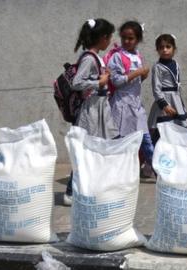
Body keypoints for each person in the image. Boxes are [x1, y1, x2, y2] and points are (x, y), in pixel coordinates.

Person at [64, 18, 118, 205]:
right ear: (102, 38)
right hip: (92, 110)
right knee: (85, 148)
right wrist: (99, 82)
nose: (110, 40)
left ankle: (94, 187)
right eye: (109, 37)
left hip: (100, 107)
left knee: (97, 147)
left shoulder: (95, 57)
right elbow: (77, 83)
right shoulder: (89, 58)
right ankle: (71, 190)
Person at [106, 21, 155, 178]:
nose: (127, 41)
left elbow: (137, 82)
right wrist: (138, 73)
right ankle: (117, 174)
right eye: (124, 38)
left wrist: (143, 75)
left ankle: (159, 173)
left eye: (131, 38)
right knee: (121, 142)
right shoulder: (117, 57)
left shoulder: (137, 56)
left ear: (138, 39)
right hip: (121, 105)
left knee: (146, 140)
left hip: (135, 104)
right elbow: (116, 81)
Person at [148, 34, 187, 145]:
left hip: (176, 100)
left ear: (174, 49)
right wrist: (165, 105)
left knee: (180, 127)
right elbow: (156, 89)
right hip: (164, 101)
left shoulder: (176, 64)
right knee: (162, 129)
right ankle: (156, 155)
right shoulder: (157, 67)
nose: (165, 50)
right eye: (161, 47)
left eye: (168, 46)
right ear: (157, 50)